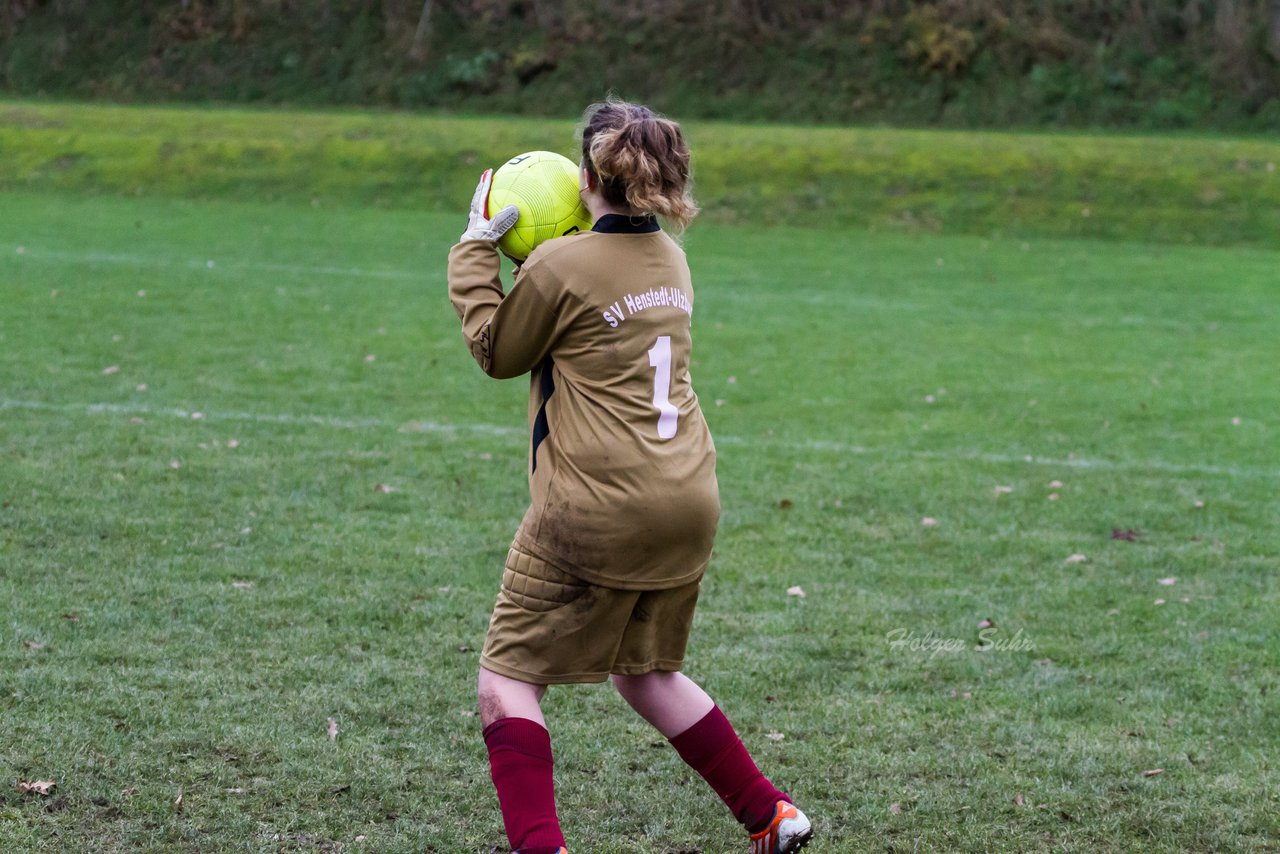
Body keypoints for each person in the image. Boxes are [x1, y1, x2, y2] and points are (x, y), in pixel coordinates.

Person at [446, 97, 813, 854]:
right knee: (645, 672)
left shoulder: (557, 263)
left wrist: (477, 250)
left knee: (506, 681)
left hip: (595, 513)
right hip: (686, 500)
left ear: (587, 174)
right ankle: (771, 815)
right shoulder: (672, 260)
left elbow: (496, 350)